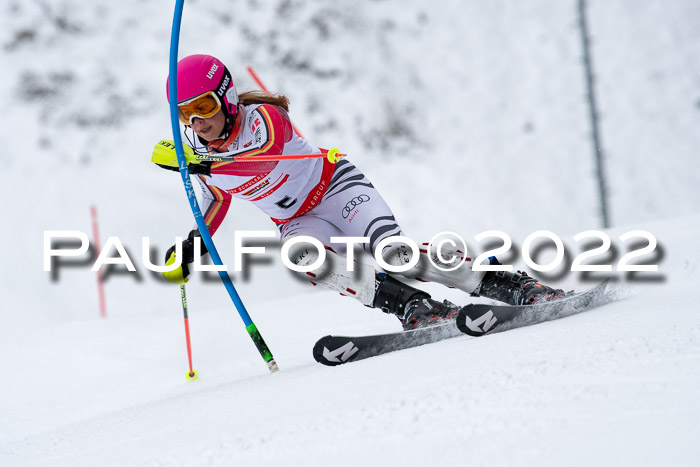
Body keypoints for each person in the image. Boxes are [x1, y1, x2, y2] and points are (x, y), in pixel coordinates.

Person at [153, 54, 565, 330]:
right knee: (303, 259)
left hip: (335, 188)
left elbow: (265, 155)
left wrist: (200, 163)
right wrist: (191, 247)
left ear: (226, 98)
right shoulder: (200, 156)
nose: (197, 121)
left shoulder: (263, 117)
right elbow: (215, 199)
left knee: (392, 252)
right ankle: (413, 306)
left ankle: (504, 284)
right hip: (298, 220)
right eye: (185, 114)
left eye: (204, 107)